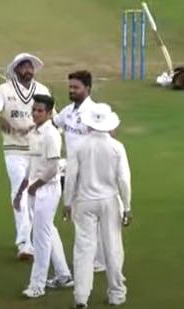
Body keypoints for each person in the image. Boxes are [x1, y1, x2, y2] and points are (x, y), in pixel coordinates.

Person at [63, 103, 133, 308]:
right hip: (110, 201)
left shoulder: (78, 146)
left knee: (84, 249)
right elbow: (124, 180)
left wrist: (67, 202)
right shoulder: (117, 147)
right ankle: (117, 293)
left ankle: (81, 297)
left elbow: (70, 177)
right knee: (112, 247)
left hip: (84, 201)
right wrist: (127, 207)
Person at [0, 52, 52, 260]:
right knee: (20, 193)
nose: (28, 70)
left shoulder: (42, 90)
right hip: (14, 149)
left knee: (35, 195)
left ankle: (32, 239)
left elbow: (53, 118)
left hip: (36, 150)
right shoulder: (4, 90)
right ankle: (24, 242)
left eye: (30, 67)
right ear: (16, 70)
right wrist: (0, 121)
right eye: (23, 67)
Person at [14, 94, 73, 298]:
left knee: (40, 238)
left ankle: (37, 286)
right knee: (47, 231)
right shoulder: (34, 132)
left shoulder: (51, 134)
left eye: (40, 111)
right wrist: (22, 189)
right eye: (34, 110)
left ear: (49, 113)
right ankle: (63, 274)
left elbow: (53, 168)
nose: (35, 114)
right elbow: (32, 165)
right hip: (34, 188)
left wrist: (35, 186)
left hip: (47, 189)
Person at [52, 70, 106, 273]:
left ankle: (98, 260)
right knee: (79, 217)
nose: (72, 91)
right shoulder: (69, 111)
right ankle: (92, 258)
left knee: (89, 218)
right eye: (70, 87)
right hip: (72, 171)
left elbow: (108, 137)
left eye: (76, 87)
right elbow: (53, 122)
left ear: (88, 89)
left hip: (90, 172)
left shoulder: (94, 112)